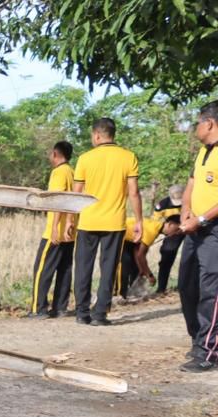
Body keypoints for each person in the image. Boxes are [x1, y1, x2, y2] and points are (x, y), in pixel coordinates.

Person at [72, 118, 142, 325]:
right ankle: (100, 314)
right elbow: (134, 193)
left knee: (83, 267)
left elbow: (76, 194)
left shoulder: (85, 158)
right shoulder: (128, 157)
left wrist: (69, 220)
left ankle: (81, 313)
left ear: (96, 135)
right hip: (114, 222)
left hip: (87, 220)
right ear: (113, 134)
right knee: (109, 267)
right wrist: (139, 220)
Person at [178, 100, 218, 373]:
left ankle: (209, 350)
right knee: (187, 285)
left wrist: (202, 219)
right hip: (193, 229)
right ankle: (198, 339)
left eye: (198, 123)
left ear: (210, 123)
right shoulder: (203, 152)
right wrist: (185, 213)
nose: (195, 128)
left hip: (212, 230)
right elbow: (191, 186)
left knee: (210, 290)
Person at [29, 141, 76, 317]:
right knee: (64, 269)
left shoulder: (59, 172)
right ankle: (60, 307)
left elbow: (58, 200)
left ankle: (38, 308)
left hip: (55, 231)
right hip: (70, 232)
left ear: (55, 154)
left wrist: (56, 227)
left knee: (42, 269)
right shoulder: (72, 172)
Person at [119, 214, 181, 300]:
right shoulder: (152, 231)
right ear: (170, 224)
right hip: (118, 234)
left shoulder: (155, 225)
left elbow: (137, 250)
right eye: (177, 229)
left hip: (126, 238)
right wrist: (149, 275)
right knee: (125, 265)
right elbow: (141, 255)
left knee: (135, 267)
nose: (177, 233)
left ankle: (128, 294)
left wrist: (142, 270)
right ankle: (119, 295)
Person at [153, 185, 185, 294]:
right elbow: (156, 223)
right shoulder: (162, 205)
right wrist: (167, 230)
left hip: (191, 229)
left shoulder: (192, 200)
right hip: (173, 232)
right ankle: (161, 289)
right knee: (166, 257)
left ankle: (188, 287)